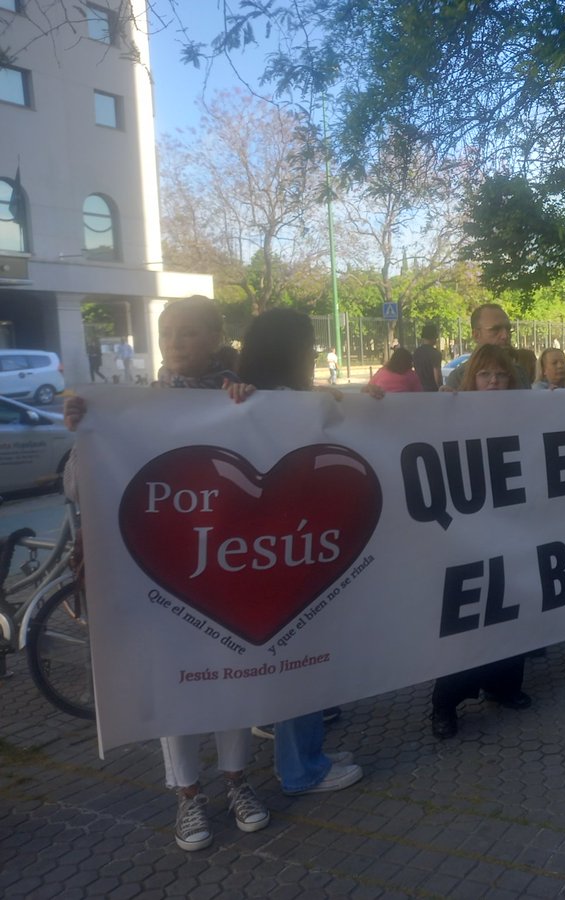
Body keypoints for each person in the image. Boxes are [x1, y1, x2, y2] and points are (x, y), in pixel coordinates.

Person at [64, 297, 268, 853]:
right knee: (176, 681)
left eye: (190, 332)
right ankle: (187, 797)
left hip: (228, 566)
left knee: (235, 678)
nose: (177, 342)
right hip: (163, 574)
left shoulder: (244, 401)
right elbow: (81, 491)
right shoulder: (131, 409)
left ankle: (236, 781)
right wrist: (86, 435)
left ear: (216, 337)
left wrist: (252, 411)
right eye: (168, 332)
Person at [228, 310, 365, 798]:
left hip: (272, 550)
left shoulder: (254, 399)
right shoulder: (286, 404)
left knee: (289, 655)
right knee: (300, 659)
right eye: (307, 343)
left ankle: (308, 751)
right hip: (296, 549)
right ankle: (302, 767)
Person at [430, 343, 533, 738]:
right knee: (469, 618)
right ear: (472, 378)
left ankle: (504, 687)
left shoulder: (525, 411)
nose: (493, 382)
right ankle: (445, 703)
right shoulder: (450, 409)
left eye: (501, 375)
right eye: (486, 375)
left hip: (513, 524)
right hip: (467, 532)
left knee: (514, 607)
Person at [445, 304, 531, 390]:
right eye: (495, 330)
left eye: (508, 329)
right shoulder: (457, 378)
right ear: (476, 335)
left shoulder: (520, 373)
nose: (505, 336)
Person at [412, 323, 443, 391]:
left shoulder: (416, 352)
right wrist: (441, 387)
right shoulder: (435, 353)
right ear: (434, 336)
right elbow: (437, 375)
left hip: (419, 389)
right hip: (432, 389)